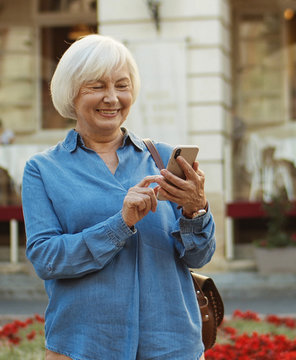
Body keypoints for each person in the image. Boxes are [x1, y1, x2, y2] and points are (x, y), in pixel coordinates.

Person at [21, 34, 216, 360]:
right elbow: (46, 257)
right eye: (96, 86)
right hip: (84, 346)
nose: (112, 98)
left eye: (121, 86)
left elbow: (198, 257)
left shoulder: (163, 158)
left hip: (171, 343)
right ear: (71, 92)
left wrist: (196, 211)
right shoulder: (43, 169)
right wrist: (121, 223)